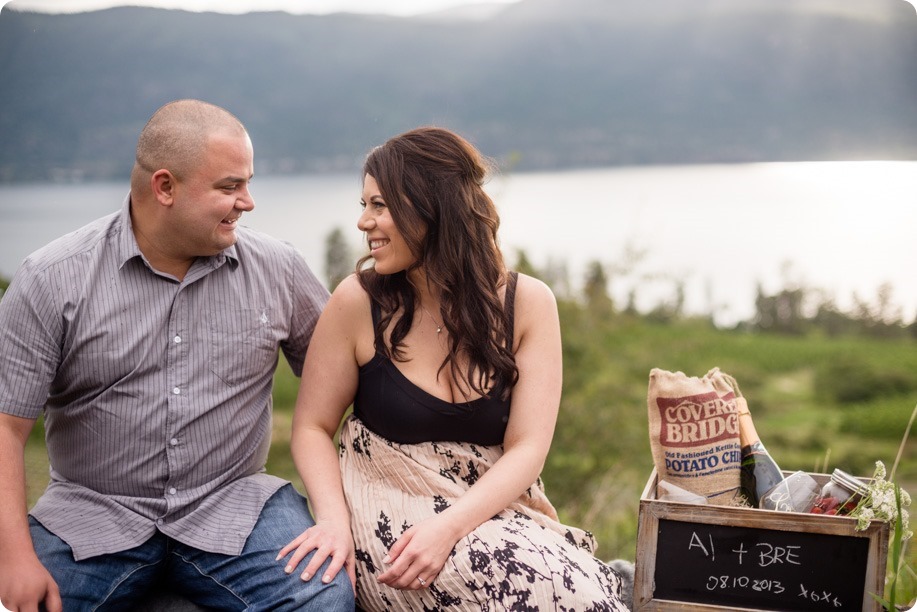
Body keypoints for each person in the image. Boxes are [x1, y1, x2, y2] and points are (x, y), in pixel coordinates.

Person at [0, 99, 354, 611]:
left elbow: (350, 386)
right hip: (91, 517)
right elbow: (7, 426)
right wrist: (13, 556)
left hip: (237, 507)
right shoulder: (50, 279)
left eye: (248, 183)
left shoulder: (279, 269)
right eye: (229, 187)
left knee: (324, 598)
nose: (248, 202)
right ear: (164, 187)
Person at [278, 127, 629, 610]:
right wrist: (333, 520)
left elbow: (527, 448)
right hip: (387, 516)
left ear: (430, 208)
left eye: (379, 206)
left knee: (581, 592)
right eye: (364, 205)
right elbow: (312, 427)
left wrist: (449, 527)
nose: (364, 222)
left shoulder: (527, 304)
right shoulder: (357, 302)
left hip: (488, 511)